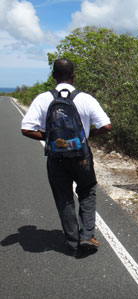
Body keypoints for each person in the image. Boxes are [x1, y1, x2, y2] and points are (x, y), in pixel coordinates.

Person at [21, 58, 112, 254]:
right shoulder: (86, 98)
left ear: (53, 76)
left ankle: (72, 242)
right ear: (73, 76)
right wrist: (87, 135)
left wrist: (49, 137)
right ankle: (87, 235)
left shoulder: (43, 99)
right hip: (82, 156)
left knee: (64, 198)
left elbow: (26, 129)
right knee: (87, 192)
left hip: (56, 158)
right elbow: (106, 125)